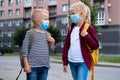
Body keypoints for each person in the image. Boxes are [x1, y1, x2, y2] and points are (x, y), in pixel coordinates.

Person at [62, 1, 99, 80]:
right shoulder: (71, 29)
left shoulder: (89, 28)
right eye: (70, 14)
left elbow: (95, 45)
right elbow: (66, 46)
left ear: (81, 14)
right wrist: (65, 62)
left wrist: (86, 35)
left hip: (83, 62)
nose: (71, 16)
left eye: (73, 13)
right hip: (71, 61)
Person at [22, 8, 55, 80]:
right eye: (46, 19)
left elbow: (50, 50)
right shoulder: (30, 33)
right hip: (32, 67)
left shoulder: (47, 34)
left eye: (48, 19)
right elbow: (24, 51)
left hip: (44, 66)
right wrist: (26, 65)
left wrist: (52, 42)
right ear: (38, 21)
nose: (48, 21)